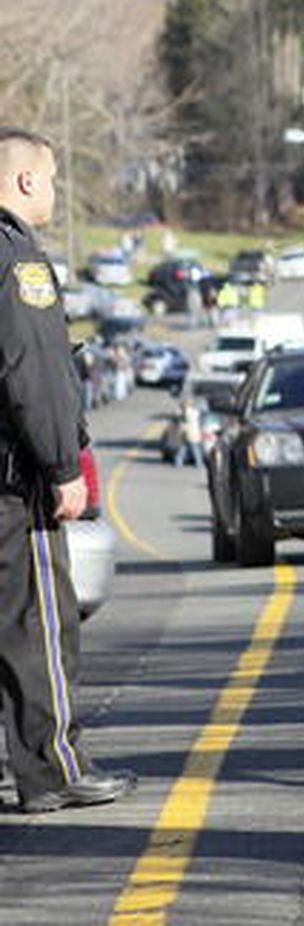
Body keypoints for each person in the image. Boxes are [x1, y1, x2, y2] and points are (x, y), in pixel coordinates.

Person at [0, 126, 136, 813]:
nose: (54, 190)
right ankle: (53, 769)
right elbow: (35, 376)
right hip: (12, 484)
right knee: (38, 627)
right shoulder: (18, 261)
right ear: (25, 180)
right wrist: (61, 465)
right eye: (51, 178)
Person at [174, 397, 204, 468]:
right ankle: (198, 463)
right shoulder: (193, 412)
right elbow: (193, 416)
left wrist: (183, 408)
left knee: (184, 448)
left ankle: (178, 462)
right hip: (191, 433)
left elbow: (180, 416)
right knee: (194, 448)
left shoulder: (182, 412)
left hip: (186, 432)